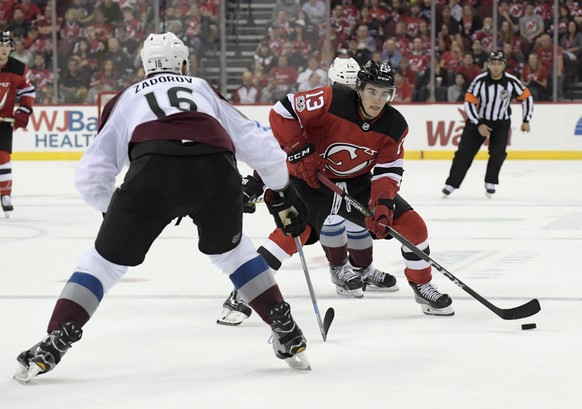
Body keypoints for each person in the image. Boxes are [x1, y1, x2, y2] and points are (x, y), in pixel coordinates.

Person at [14, 32, 311, 384]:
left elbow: (92, 175)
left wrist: (120, 213)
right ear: (185, 65)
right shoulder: (201, 87)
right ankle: (285, 327)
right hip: (216, 170)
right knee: (234, 253)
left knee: (103, 264)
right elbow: (255, 142)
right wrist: (281, 188)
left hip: (153, 171)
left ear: (143, 67)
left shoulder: (126, 98)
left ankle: (56, 340)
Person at [219, 60, 454, 326]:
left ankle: (422, 285)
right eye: (372, 92)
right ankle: (246, 291)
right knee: (289, 236)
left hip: (357, 184)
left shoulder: (394, 125)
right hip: (312, 184)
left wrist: (383, 204)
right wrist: (298, 148)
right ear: (360, 88)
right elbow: (282, 111)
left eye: (384, 93)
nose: (377, 100)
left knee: (414, 227)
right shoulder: (332, 99)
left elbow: (388, 172)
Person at [442, 51, 533, 198]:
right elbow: (469, 102)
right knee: (464, 153)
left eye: (499, 64)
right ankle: (452, 183)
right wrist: (478, 123)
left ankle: (490, 181)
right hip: (479, 120)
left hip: (501, 122)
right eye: (493, 63)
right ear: (488, 65)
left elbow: (526, 98)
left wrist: (526, 119)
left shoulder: (511, 81)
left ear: (503, 65)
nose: (496, 67)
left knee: (498, 153)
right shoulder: (479, 81)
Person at [0, 31, 35, 217]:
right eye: (0, 44)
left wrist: (24, 110)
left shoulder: (18, 68)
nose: (4, 48)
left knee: (3, 157)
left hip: (4, 122)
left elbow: (27, 90)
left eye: (7, 44)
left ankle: (5, 194)